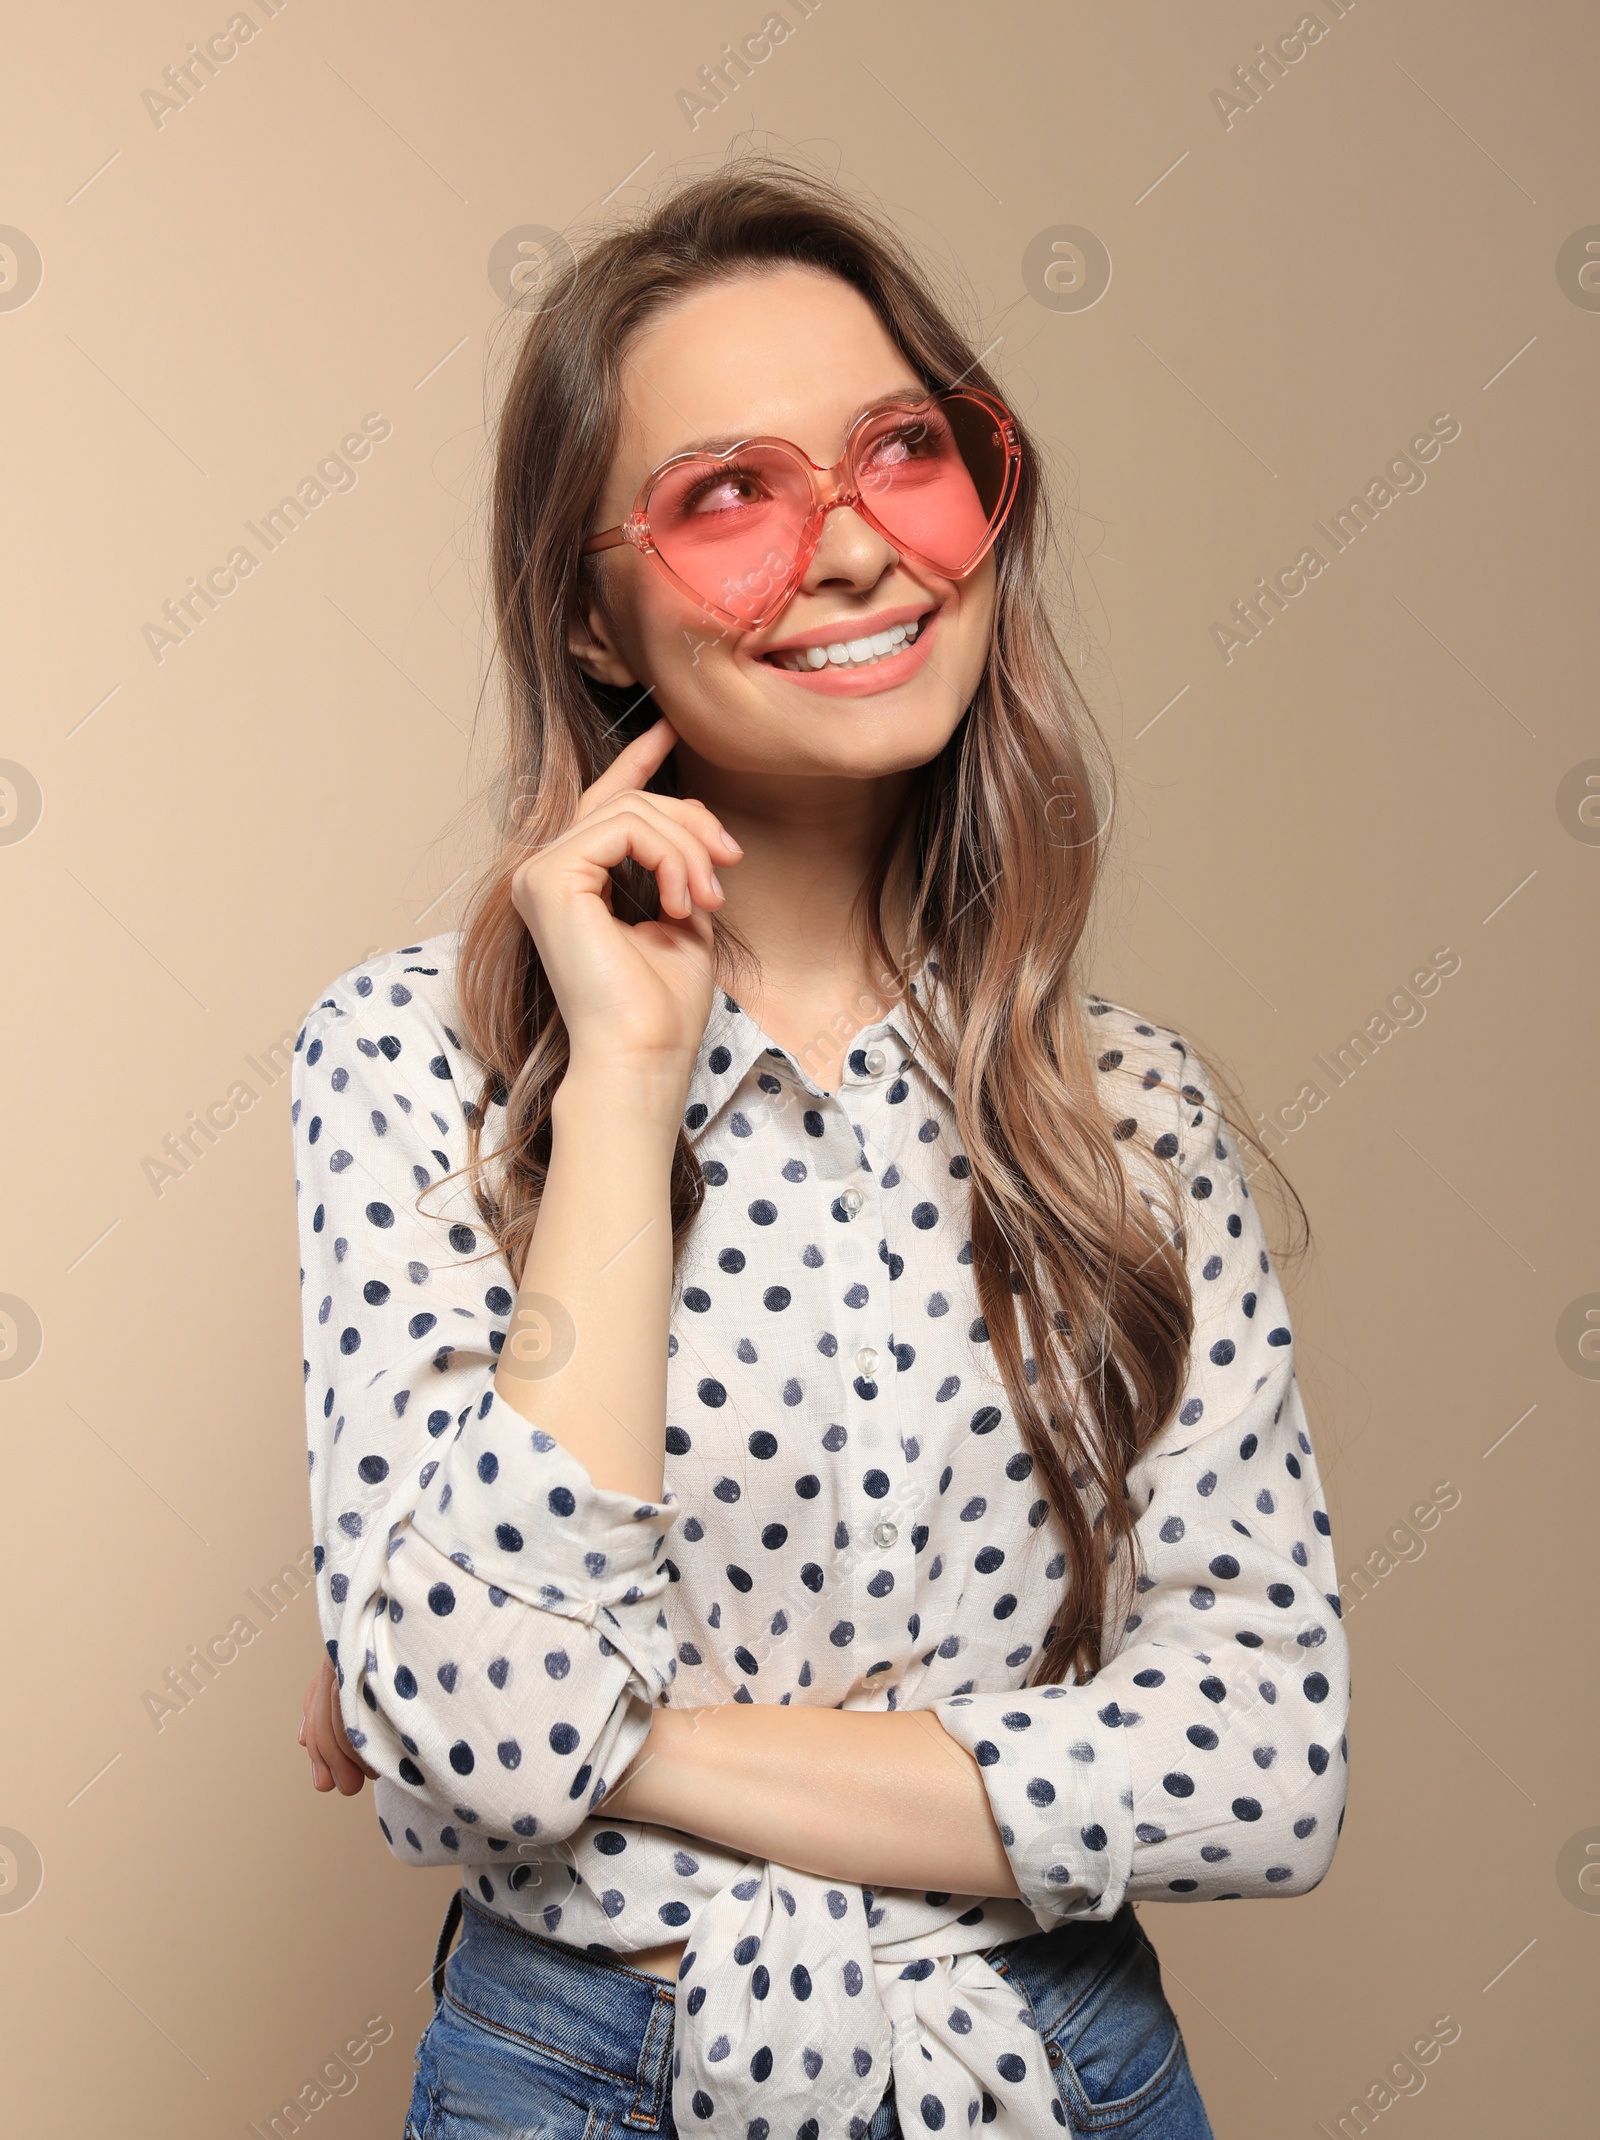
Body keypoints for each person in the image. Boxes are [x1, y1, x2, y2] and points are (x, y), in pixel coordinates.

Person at [291, 156, 1349, 2140]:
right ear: (591, 607)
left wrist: (603, 1735)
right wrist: (620, 1076)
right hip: (579, 2077)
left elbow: (1262, 1764)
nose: (854, 547)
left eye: (902, 454)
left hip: (1057, 2067)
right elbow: (483, 1740)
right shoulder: (407, 1067)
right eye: (727, 494)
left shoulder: (1128, 1110)